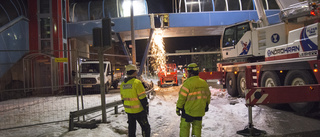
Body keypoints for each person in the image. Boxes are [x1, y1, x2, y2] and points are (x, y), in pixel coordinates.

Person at [176, 63, 211, 137]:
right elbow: (208, 95)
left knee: (184, 128)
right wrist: (206, 105)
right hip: (199, 111)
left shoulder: (187, 84)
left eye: (188, 72)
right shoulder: (204, 83)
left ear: (190, 73)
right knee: (197, 129)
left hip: (188, 111)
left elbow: (182, 98)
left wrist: (178, 108)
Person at [120, 64, 150, 137]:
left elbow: (123, 100)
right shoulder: (137, 83)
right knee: (146, 127)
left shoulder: (123, 84)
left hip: (129, 111)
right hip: (139, 111)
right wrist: (146, 109)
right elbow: (143, 98)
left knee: (131, 128)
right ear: (134, 72)